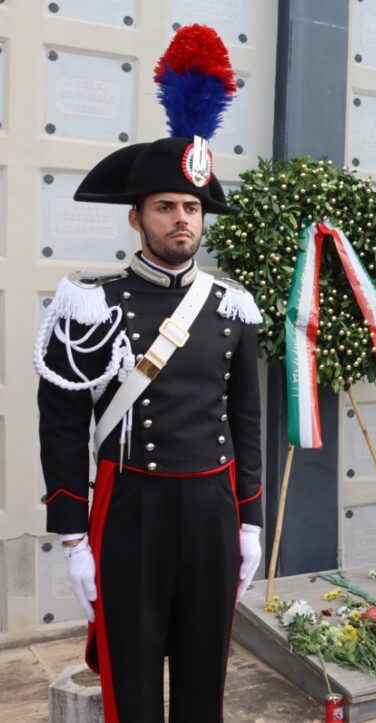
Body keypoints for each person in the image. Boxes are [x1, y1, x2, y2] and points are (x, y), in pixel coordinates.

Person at [35, 26, 263, 721]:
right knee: (131, 683)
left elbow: (246, 418)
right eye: (165, 207)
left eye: (191, 207)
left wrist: (249, 522)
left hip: (210, 512)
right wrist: (74, 535)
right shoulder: (90, 300)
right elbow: (63, 421)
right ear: (136, 217)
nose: (181, 220)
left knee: (204, 680)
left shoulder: (232, 305)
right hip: (131, 509)